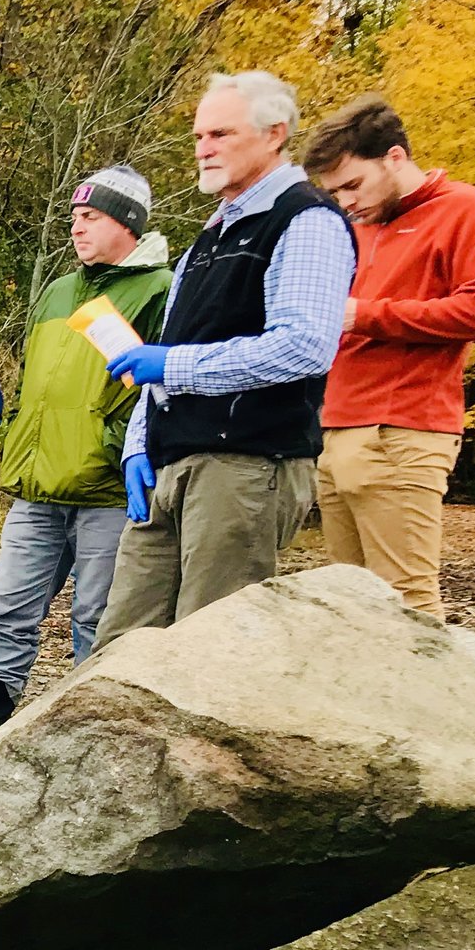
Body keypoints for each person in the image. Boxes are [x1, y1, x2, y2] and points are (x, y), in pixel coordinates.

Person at [94, 72, 353, 647]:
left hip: (247, 464)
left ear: (274, 134)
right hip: (170, 461)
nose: (203, 148)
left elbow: (305, 346)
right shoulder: (205, 240)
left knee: (204, 647)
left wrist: (174, 368)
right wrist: (140, 442)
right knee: (120, 647)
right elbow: (156, 356)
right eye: (197, 136)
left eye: (219, 133)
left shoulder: (306, 219)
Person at [0, 166, 172, 756]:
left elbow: (159, 387)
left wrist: (112, 448)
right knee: (7, 609)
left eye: (90, 217)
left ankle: (90, 750)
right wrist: (19, 436)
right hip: (37, 485)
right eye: (74, 217)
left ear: (128, 223)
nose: (77, 227)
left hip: (108, 489)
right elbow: (32, 387)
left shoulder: (158, 290)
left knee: (99, 618)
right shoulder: (61, 291)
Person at [303, 94, 475, 617]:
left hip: (404, 431)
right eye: (334, 192)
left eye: (353, 185)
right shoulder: (353, 228)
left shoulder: (466, 209)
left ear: (396, 158)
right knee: (351, 607)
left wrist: (367, 316)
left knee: (406, 607)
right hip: (336, 430)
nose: (346, 202)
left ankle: (437, 702)